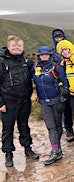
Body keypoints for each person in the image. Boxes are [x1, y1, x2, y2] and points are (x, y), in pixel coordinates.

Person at [0, 35, 39, 167]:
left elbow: (36, 77)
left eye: (19, 46)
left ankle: (28, 149)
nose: (17, 48)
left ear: (23, 47)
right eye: (14, 46)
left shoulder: (27, 61)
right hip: (8, 101)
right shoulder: (2, 61)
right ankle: (8, 153)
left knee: (24, 125)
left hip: (24, 100)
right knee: (8, 128)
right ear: (9, 47)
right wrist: (1, 103)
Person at [32, 46, 69, 165]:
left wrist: (63, 99)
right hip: (43, 102)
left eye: (46, 54)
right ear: (39, 56)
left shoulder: (56, 67)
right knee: (51, 127)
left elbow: (65, 84)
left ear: (50, 55)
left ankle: (57, 150)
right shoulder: (35, 68)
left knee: (58, 126)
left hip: (56, 101)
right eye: (42, 55)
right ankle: (54, 151)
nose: (44, 56)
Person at [52, 28, 74, 142]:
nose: (58, 39)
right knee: (66, 109)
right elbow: (53, 71)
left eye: (60, 37)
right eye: (56, 37)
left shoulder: (73, 49)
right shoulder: (53, 54)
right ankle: (69, 130)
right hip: (64, 84)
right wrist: (60, 85)